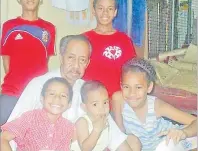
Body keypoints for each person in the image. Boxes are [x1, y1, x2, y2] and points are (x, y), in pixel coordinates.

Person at [7, 35, 137, 151]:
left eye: (82, 60)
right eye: (71, 58)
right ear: (61, 57)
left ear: (87, 63)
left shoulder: (87, 90)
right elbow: (10, 132)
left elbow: (112, 133)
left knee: (134, 143)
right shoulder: (39, 85)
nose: (76, 65)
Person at [0, 0, 56, 125]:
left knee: (33, 136)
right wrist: (17, 81)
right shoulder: (9, 26)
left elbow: (45, 59)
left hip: (38, 92)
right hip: (12, 91)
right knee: (4, 131)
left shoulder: (49, 28)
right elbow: (6, 59)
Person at [112, 58, 197, 151]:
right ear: (121, 85)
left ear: (149, 87)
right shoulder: (118, 98)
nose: (132, 93)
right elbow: (120, 132)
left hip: (169, 142)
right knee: (131, 141)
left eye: (138, 87)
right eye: (126, 86)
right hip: (139, 145)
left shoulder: (157, 106)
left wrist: (184, 133)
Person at [83, 0, 137, 98]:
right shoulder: (83, 39)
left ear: (115, 12)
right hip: (91, 99)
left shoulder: (124, 40)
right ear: (94, 11)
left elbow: (132, 71)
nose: (105, 13)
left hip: (118, 99)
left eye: (110, 9)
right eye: (100, 8)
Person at [1, 77, 75, 151]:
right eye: (52, 94)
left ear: (69, 104)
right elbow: (3, 138)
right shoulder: (30, 118)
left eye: (63, 95)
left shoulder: (68, 127)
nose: (57, 98)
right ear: (42, 99)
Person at [72, 80, 141, 151]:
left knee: (134, 142)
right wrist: (96, 130)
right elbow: (85, 148)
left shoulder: (107, 119)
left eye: (105, 102)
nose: (102, 108)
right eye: (95, 104)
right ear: (84, 107)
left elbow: (114, 140)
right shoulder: (82, 122)